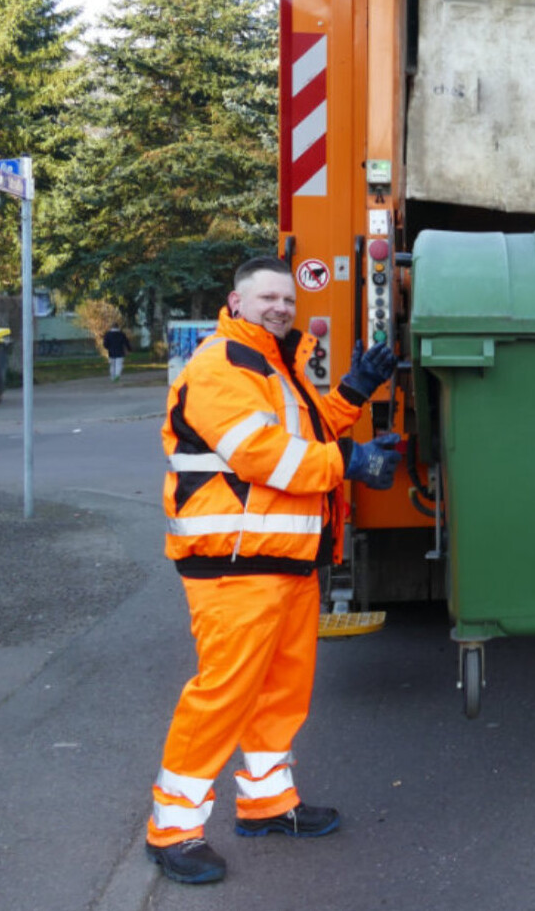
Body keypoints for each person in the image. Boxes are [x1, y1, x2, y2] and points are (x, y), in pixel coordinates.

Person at [144, 256, 402, 884]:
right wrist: (350, 461)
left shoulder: (274, 365)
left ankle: (266, 803)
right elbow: (261, 454)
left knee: (279, 695)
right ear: (236, 303)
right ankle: (172, 828)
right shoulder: (221, 365)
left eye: (286, 299)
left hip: (283, 563)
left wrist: (351, 395)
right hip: (234, 565)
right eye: (267, 299)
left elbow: (307, 434)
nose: (281, 308)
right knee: (222, 696)